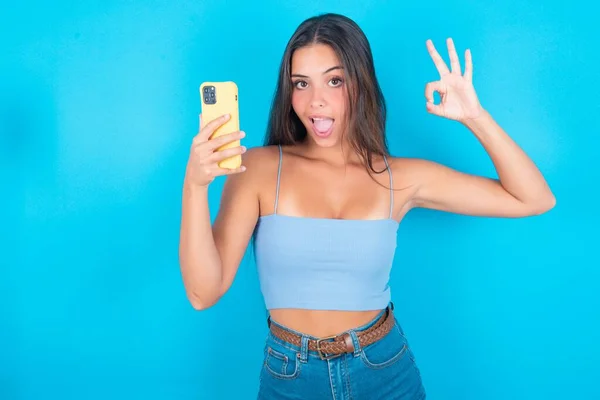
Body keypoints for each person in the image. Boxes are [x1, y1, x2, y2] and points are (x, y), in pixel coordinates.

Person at [178, 13, 555, 400]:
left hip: (385, 370)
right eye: (301, 84)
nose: (316, 101)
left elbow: (534, 198)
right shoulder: (256, 169)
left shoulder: (400, 178)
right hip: (290, 376)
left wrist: (476, 118)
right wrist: (194, 184)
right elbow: (202, 293)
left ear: (360, 84)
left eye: (334, 80)